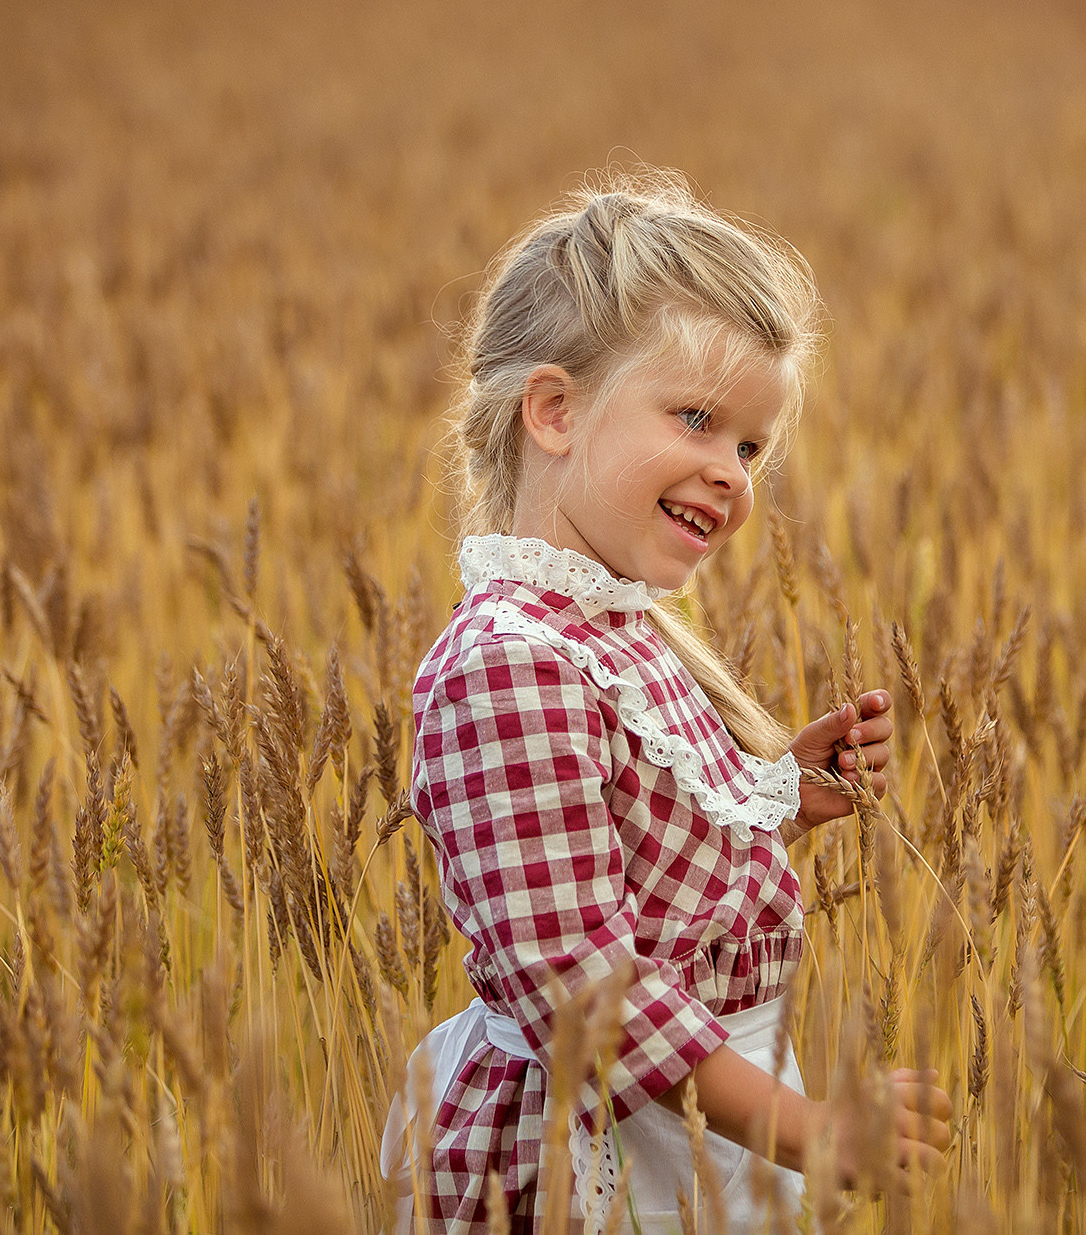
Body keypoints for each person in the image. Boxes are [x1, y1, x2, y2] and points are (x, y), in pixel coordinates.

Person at [379, 169, 953, 1232]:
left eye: (748, 445)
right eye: (695, 419)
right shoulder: (508, 665)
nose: (732, 473)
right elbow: (580, 991)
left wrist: (779, 794)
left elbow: (638, 860)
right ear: (552, 411)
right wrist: (807, 1129)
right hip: (588, 1152)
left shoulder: (610, 630)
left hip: (689, 1117)